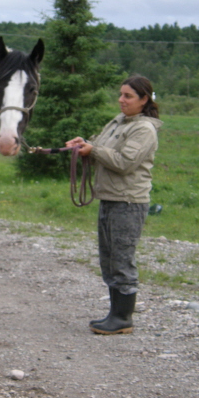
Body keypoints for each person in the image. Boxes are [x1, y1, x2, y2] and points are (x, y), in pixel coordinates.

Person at [66, 75, 162, 335]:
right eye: (121, 94)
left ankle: (123, 318)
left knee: (122, 259)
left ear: (144, 100)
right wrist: (84, 145)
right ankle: (115, 314)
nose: (121, 100)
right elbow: (100, 147)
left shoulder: (144, 129)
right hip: (109, 198)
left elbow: (123, 162)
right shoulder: (118, 122)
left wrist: (93, 151)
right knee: (109, 258)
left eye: (128, 96)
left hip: (128, 202)